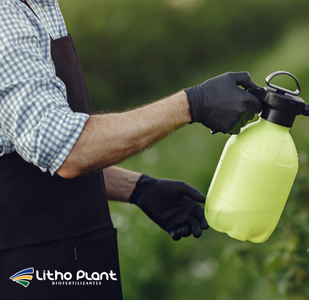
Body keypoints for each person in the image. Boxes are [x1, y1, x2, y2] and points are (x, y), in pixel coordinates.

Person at [0, 0, 262, 299]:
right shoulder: (5, 16)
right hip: (28, 271)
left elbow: (29, 150)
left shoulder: (40, 6)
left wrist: (138, 188)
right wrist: (192, 104)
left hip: (75, 261)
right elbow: (68, 149)